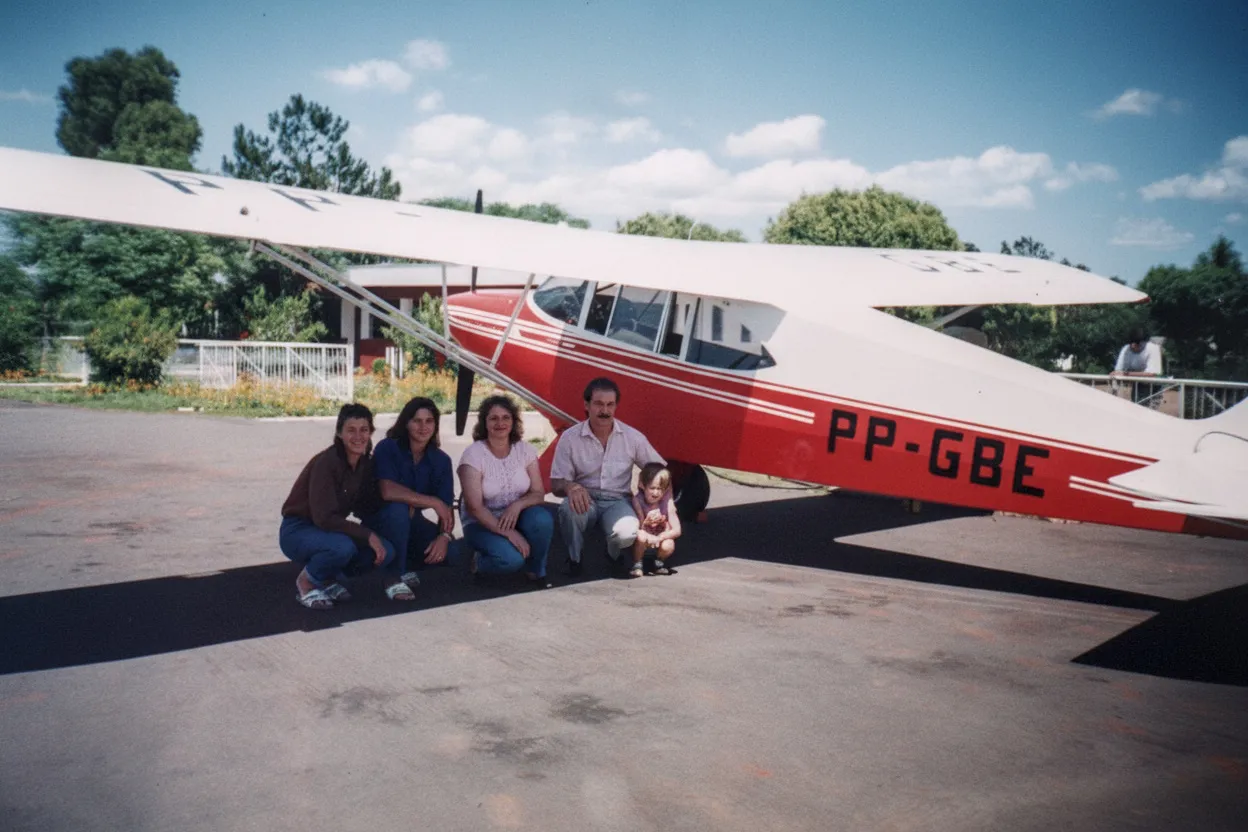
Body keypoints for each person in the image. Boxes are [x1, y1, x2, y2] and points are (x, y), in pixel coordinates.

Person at [279, 403, 394, 610]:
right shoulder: (327, 462)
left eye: (364, 430)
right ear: (339, 433)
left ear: (371, 432)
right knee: (343, 547)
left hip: (329, 530)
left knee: (387, 550)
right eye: (351, 430)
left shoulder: (363, 464)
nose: (358, 436)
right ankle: (306, 582)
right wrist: (367, 535)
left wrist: (406, 500)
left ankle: (326, 577)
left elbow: (365, 506)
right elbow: (323, 518)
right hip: (298, 529)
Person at [550, 377, 664, 576]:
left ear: (616, 406)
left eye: (610, 404)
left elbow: (659, 471)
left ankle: (612, 554)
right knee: (568, 510)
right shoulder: (570, 438)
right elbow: (556, 483)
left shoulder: (632, 437)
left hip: (617, 501)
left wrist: (659, 505)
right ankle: (574, 558)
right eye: (599, 404)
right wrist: (570, 488)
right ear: (586, 405)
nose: (605, 410)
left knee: (626, 533)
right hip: (586, 498)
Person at [362, 397, 457, 601]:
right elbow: (387, 490)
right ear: (405, 423)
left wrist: (444, 537)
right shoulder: (388, 447)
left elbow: (447, 507)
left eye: (429, 421)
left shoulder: (441, 460)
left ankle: (406, 565)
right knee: (398, 508)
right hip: (381, 520)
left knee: (452, 553)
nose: (423, 427)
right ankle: (392, 577)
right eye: (416, 421)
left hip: (412, 522)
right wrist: (432, 502)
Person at [457, 395, 554, 588]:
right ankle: (479, 563)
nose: (500, 423)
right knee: (510, 560)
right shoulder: (473, 455)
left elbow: (538, 493)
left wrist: (517, 505)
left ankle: (536, 569)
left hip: (516, 516)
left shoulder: (524, 450)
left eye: (506, 417)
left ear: (514, 421)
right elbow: (474, 508)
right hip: (481, 523)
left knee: (542, 519)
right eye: (493, 418)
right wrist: (509, 533)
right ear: (484, 423)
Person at [629, 462, 682, 578]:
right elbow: (636, 528)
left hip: (659, 541)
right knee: (641, 536)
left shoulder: (666, 504)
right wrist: (646, 522)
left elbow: (677, 530)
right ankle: (637, 563)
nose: (656, 493)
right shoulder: (638, 501)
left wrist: (661, 536)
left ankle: (659, 562)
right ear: (643, 485)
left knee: (669, 544)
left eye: (660, 489)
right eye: (652, 488)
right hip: (644, 542)